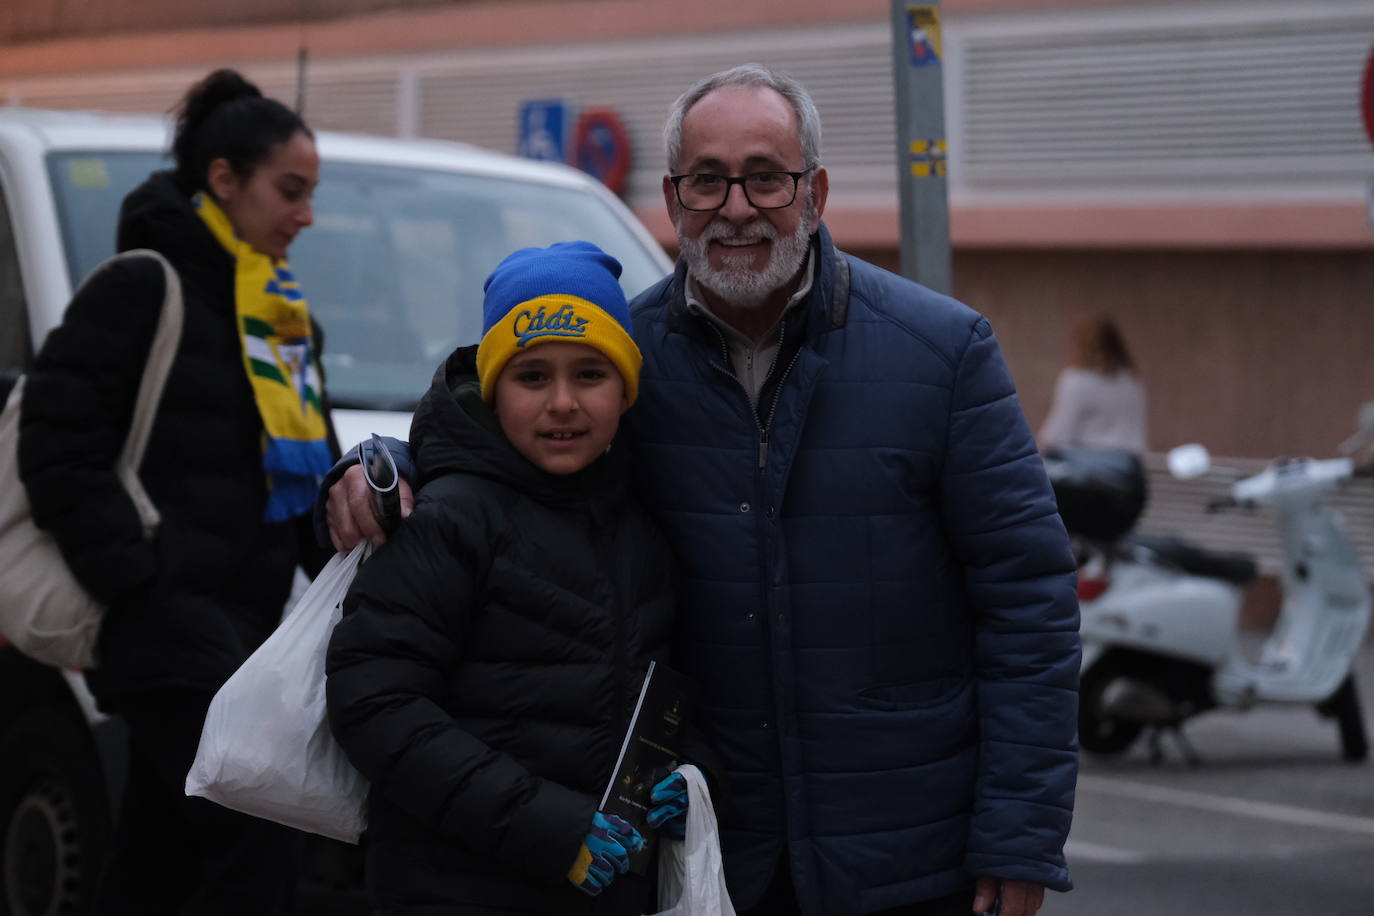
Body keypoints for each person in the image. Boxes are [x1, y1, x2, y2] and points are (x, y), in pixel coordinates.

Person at [324, 64, 1080, 916]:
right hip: (712, 866)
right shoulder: (620, 355)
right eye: (707, 180)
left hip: (910, 855)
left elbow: (1028, 600)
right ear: (674, 198)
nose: (736, 206)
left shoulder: (941, 354)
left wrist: (1020, 831)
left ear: (816, 193)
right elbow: (505, 440)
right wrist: (386, 460)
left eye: (766, 176)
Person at [18, 69, 331, 913]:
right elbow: (54, 445)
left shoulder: (284, 313)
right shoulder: (139, 285)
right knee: (254, 831)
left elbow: (306, 479)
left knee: (161, 855)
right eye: (289, 191)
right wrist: (137, 583)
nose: (305, 215)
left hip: (251, 633)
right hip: (166, 629)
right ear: (224, 181)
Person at [324, 242, 695, 914]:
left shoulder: (644, 525)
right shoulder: (451, 519)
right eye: (531, 378)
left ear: (627, 390)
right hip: (452, 888)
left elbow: (662, 691)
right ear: (493, 389)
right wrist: (551, 830)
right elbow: (374, 702)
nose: (562, 403)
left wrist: (694, 779)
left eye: (590, 374)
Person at [1037, 314, 1147, 454]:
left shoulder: (1077, 380)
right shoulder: (1131, 380)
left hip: (1089, 466)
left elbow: (1057, 435)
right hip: (1130, 465)